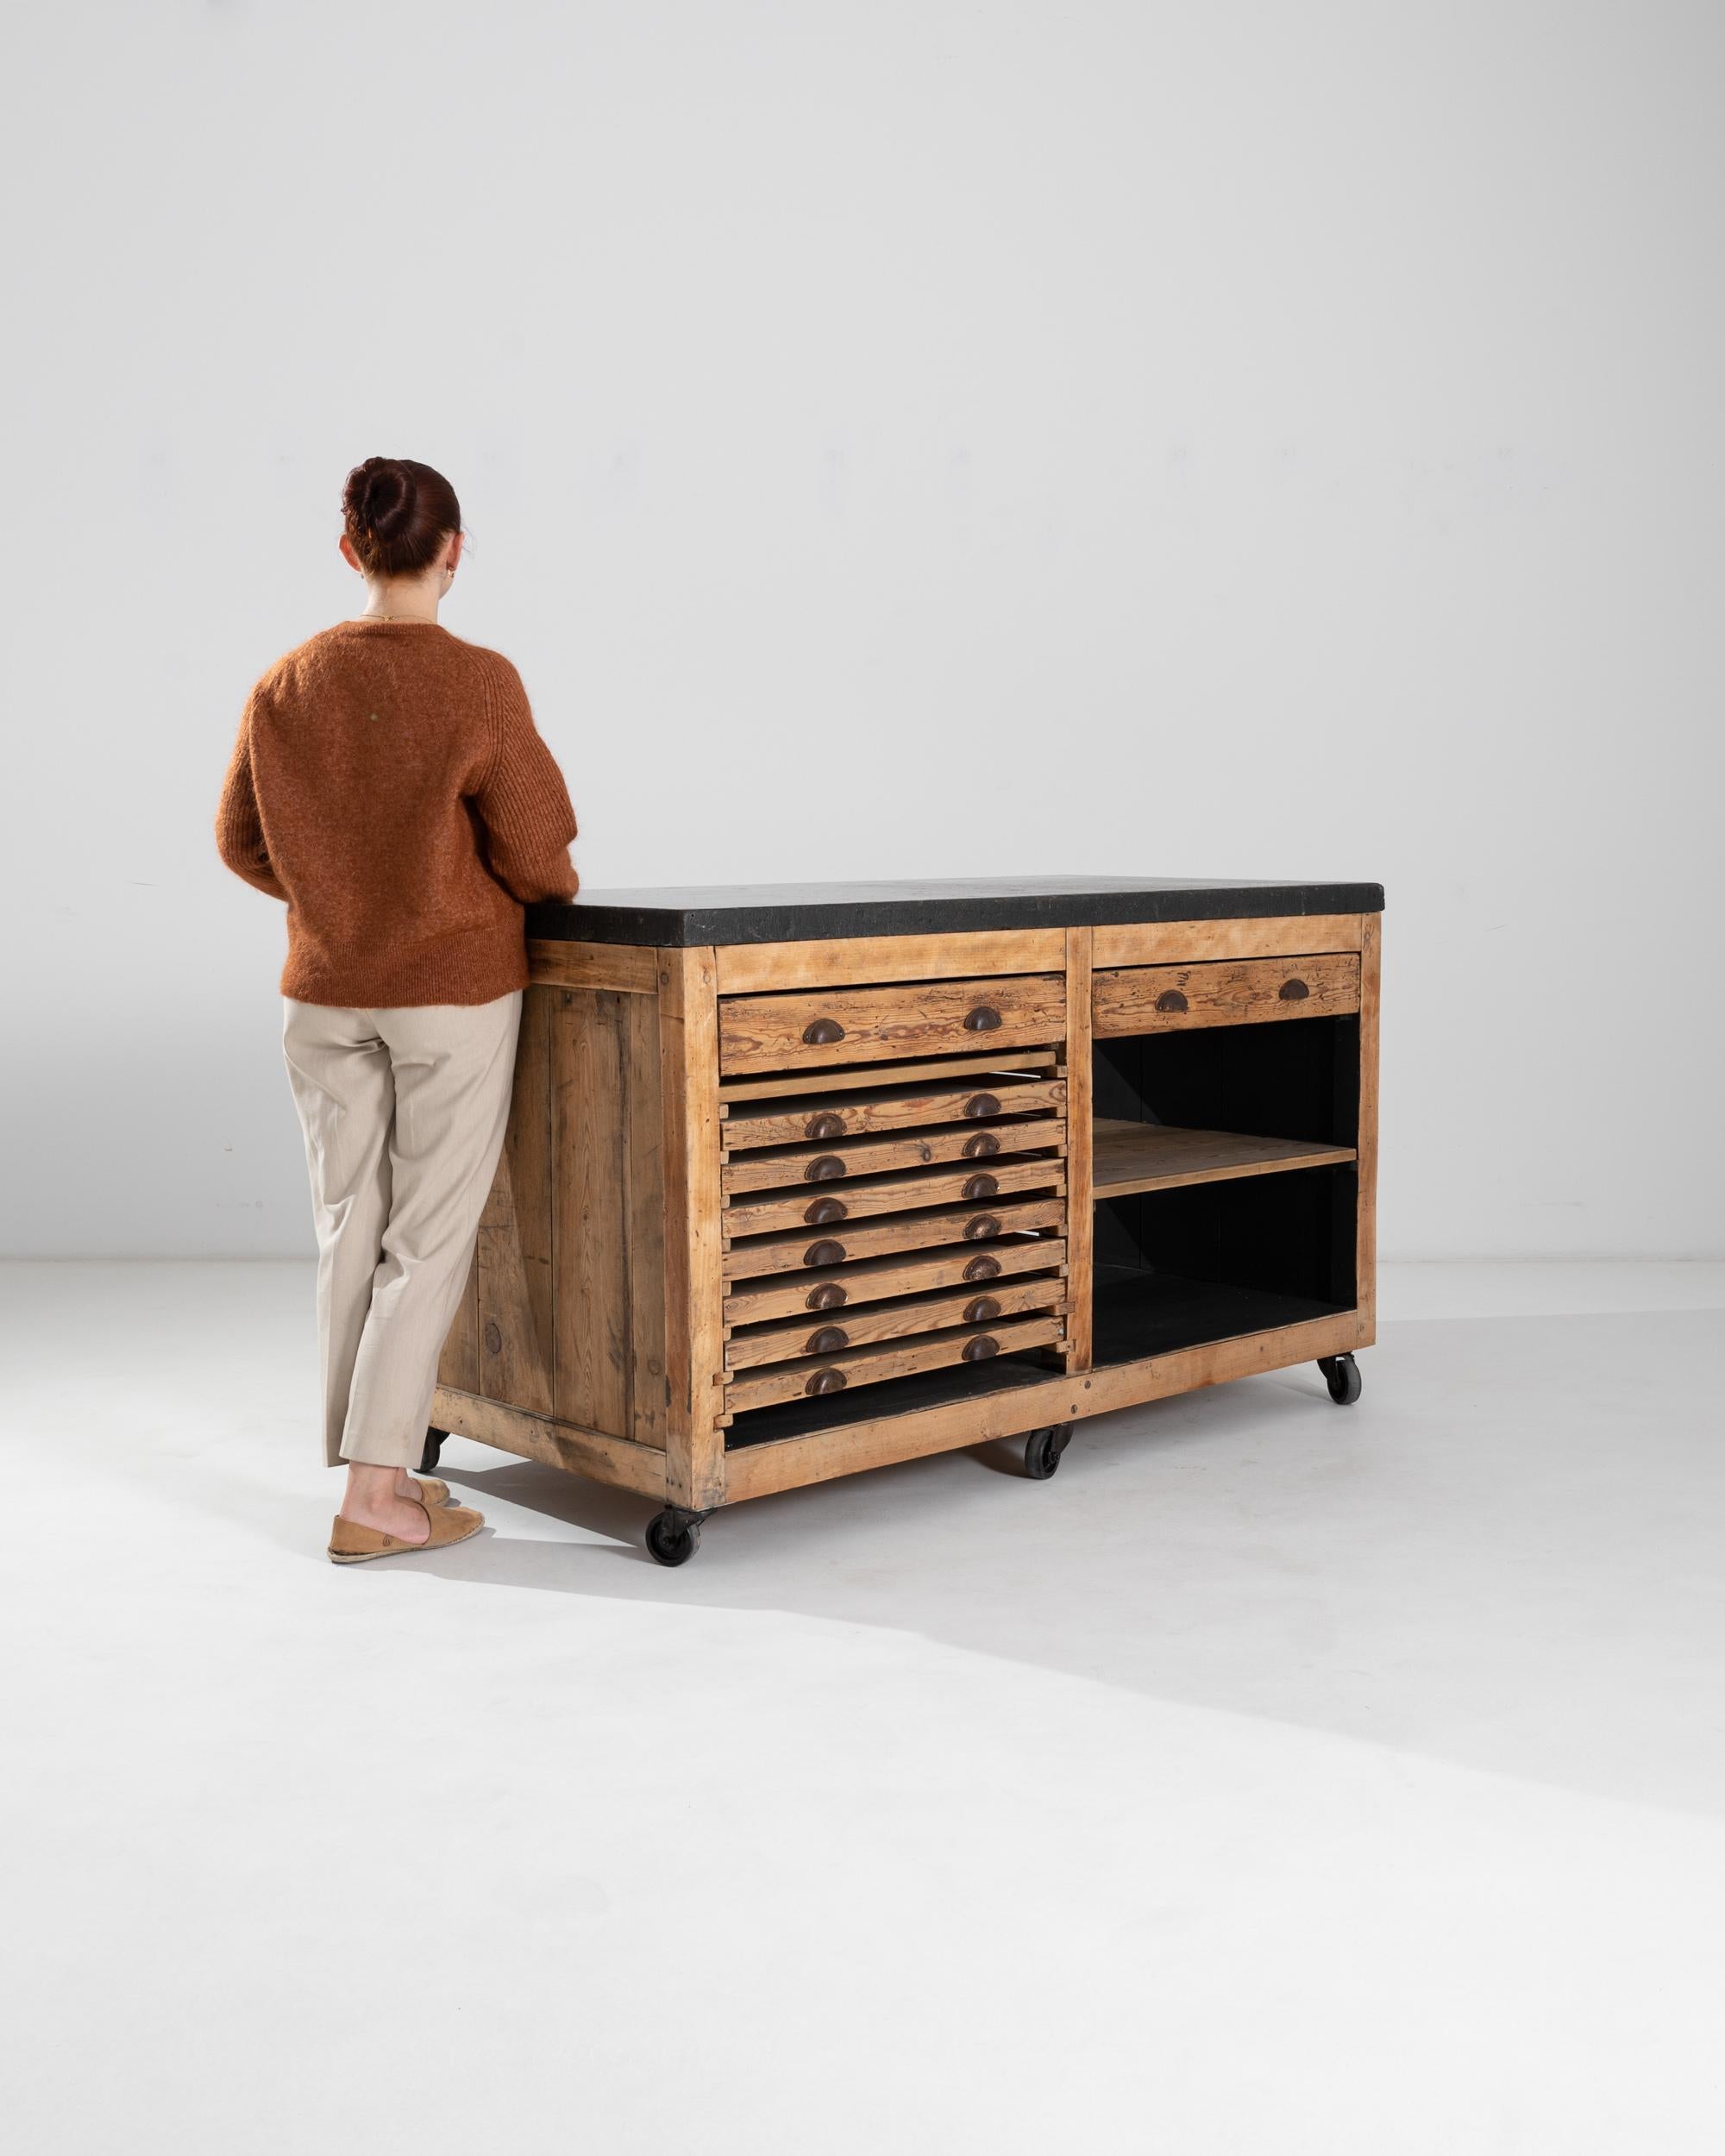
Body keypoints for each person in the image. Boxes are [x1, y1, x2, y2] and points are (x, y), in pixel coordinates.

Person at [215, 455, 580, 1564]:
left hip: (323, 996)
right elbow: (538, 850)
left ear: (350, 551)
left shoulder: (285, 682)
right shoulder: (477, 681)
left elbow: (239, 840)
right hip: (449, 997)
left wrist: (340, 898)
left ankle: (368, 1475)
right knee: (425, 1244)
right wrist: (487, 897)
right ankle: (377, 1497)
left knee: (348, 1231)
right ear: (454, 550)